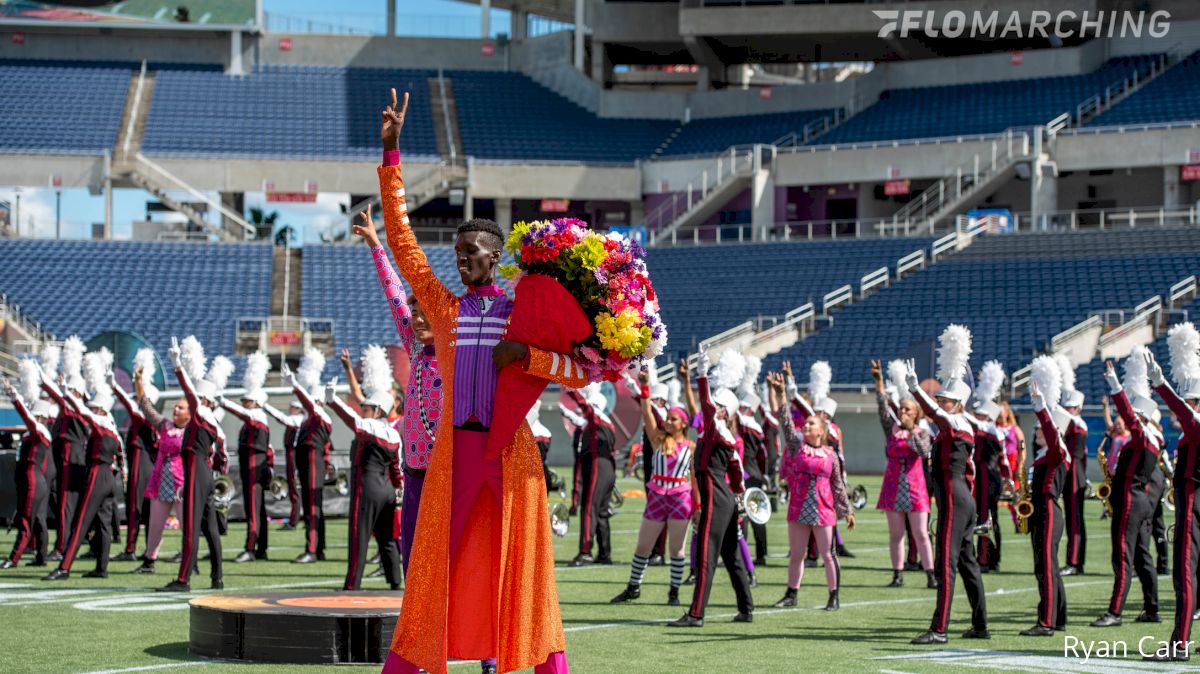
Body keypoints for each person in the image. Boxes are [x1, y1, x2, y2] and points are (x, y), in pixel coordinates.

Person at [378, 89, 583, 674]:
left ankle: (547, 665)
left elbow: (580, 373)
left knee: (525, 568)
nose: (462, 259)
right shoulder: (443, 309)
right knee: (430, 569)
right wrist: (392, 156)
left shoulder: (523, 312)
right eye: (459, 251)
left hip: (511, 451)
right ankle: (406, 665)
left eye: (473, 252)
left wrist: (527, 354)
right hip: (454, 453)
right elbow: (402, 242)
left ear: (496, 257)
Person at [352, 207, 443, 576]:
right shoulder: (417, 349)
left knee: (441, 560)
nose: (416, 318)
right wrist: (376, 243)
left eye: (425, 313)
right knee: (412, 559)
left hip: (445, 476)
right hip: (413, 473)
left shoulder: (455, 357)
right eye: (415, 312)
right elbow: (394, 295)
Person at [903, 328, 988, 644]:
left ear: (958, 404)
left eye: (946, 399)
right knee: (966, 563)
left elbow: (936, 414)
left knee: (947, 564)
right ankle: (980, 624)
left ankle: (939, 629)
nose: (940, 402)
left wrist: (915, 391)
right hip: (959, 496)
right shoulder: (956, 427)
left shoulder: (956, 423)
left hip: (954, 496)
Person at [667, 350, 753, 628]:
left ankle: (695, 614)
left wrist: (701, 373)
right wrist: (738, 494)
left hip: (715, 496)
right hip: (724, 496)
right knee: (731, 555)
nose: (710, 408)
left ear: (724, 411)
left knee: (706, 555)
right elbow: (737, 469)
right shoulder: (720, 433)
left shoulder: (716, 429)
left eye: (716, 405)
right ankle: (746, 608)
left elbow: (705, 404)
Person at [768, 371, 854, 611]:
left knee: (828, 554)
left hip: (824, 509)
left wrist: (847, 511)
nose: (805, 425)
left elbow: (837, 485)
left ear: (821, 430)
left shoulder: (831, 455)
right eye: (805, 423)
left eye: (811, 424)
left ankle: (833, 596)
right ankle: (791, 593)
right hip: (798, 507)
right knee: (797, 554)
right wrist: (781, 394)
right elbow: (785, 423)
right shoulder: (797, 447)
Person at [611, 370, 695, 606]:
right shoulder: (657, 439)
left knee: (677, 550)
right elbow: (647, 412)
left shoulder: (691, 446)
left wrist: (697, 505)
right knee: (643, 546)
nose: (668, 421)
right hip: (657, 495)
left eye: (673, 419)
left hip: (681, 498)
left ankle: (674, 593)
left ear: (684, 424)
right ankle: (633, 587)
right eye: (667, 418)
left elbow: (695, 479)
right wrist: (644, 387)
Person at [1092, 355, 1162, 627]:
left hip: (1132, 500)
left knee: (1122, 555)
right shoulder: (1151, 438)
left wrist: (1114, 384)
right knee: (1141, 555)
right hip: (1139, 499)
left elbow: (1130, 417)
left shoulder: (1144, 436)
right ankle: (1152, 608)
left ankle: (1115, 612)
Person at [325, 350, 403, 591]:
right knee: (387, 539)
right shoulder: (394, 434)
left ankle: (352, 585)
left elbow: (353, 421)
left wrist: (332, 399)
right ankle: (395, 581)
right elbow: (397, 470)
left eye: (368, 407)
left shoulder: (371, 426)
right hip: (387, 491)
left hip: (366, 488)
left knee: (359, 537)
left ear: (378, 411)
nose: (363, 410)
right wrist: (398, 490)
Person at [41, 352, 121, 581]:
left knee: (81, 520)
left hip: (97, 472)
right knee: (104, 523)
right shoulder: (113, 429)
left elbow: (83, 412)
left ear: (102, 410)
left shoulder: (101, 424)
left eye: (96, 407)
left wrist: (64, 390)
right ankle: (101, 567)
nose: (92, 409)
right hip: (110, 476)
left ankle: (65, 567)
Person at [158, 336, 228, 592]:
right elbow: (223, 452)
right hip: (205, 472)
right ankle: (217, 577)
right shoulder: (214, 422)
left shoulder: (201, 411)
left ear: (205, 399)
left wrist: (177, 364)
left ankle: (183, 579)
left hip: (195, 469)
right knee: (210, 529)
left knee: (190, 525)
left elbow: (188, 390)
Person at [1144, 344, 1200, 661]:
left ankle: (1179, 645)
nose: (1180, 408)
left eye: (1188, 400)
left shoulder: (1195, 426)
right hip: (1191, 503)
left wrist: (1162, 387)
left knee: (1185, 576)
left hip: (1194, 504)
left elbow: (1186, 416)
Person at [869, 360, 935, 589]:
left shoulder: (922, 432)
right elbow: (881, 406)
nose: (903, 412)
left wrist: (910, 432)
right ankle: (897, 573)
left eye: (908, 410)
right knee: (896, 534)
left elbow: (923, 452)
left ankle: (930, 574)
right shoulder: (892, 429)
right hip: (893, 486)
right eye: (901, 409)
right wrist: (878, 381)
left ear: (915, 414)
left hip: (915, 487)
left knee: (921, 533)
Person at [1018, 365, 1071, 636]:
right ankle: (1058, 616)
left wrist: (1041, 408)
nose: (1037, 432)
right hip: (1040, 508)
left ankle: (1046, 621)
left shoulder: (1058, 450)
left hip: (1050, 508)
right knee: (1045, 565)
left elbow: (1052, 435)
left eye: (1040, 429)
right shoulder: (1042, 455)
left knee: (1047, 566)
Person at [130, 365, 188, 575]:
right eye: (175, 407)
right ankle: (149, 560)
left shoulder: (194, 431)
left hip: (182, 483)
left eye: (181, 408)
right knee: (155, 525)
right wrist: (138, 382)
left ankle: (189, 560)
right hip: (161, 481)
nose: (175, 410)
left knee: (185, 525)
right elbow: (146, 406)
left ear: (190, 414)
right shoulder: (165, 426)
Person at [218, 351, 274, 563]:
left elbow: (246, 415)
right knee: (257, 508)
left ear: (257, 403)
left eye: (247, 400)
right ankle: (261, 548)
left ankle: (251, 548)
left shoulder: (257, 416)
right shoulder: (254, 418)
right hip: (250, 467)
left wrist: (223, 402)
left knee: (253, 507)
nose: (244, 403)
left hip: (254, 468)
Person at [1, 372, 56, 569]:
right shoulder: (33, 433)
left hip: (34, 479)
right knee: (39, 519)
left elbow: (28, 418)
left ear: (41, 416)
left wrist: (14, 396)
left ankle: (13, 558)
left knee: (25, 519)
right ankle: (41, 557)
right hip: (31, 479)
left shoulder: (40, 431)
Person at [282, 349, 331, 564]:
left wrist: (295, 385)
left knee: (312, 505)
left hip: (314, 463)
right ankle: (318, 548)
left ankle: (312, 548)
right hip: (307, 462)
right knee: (312, 505)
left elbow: (310, 406)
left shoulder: (320, 415)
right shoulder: (308, 420)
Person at [48, 336, 89, 560]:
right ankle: (66, 541)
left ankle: (62, 545)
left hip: (70, 457)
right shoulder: (69, 410)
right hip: (64, 456)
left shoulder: (79, 410)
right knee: (61, 499)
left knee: (65, 500)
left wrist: (49, 384)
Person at [567, 386, 616, 567]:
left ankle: (585, 552)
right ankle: (604, 553)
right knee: (601, 511)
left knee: (588, 507)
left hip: (597, 464)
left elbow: (585, 406)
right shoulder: (607, 422)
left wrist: (570, 389)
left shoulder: (596, 420)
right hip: (607, 467)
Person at [1059, 373, 1089, 576]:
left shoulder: (1078, 424)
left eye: (1070, 408)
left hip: (1075, 475)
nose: (1067, 411)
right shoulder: (1071, 425)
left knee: (1074, 521)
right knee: (1073, 519)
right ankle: (1075, 561)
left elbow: (1073, 454)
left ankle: (1075, 561)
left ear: (1078, 409)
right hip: (1071, 475)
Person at [263, 397, 304, 530]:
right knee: (295, 489)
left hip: (295, 455)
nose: (290, 409)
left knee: (295, 489)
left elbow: (283, 419)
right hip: (292, 454)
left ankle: (293, 521)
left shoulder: (299, 419)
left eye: (292, 407)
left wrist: (266, 406)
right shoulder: (298, 419)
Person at [996, 402, 1026, 528]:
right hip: (998, 464)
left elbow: (1022, 448)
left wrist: (1020, 465)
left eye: (1002, 412)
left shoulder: (1015, 429)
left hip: (1012, 464)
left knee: (1015, 496)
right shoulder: (993, 427)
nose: (1000, 415)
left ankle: (1019, 522)